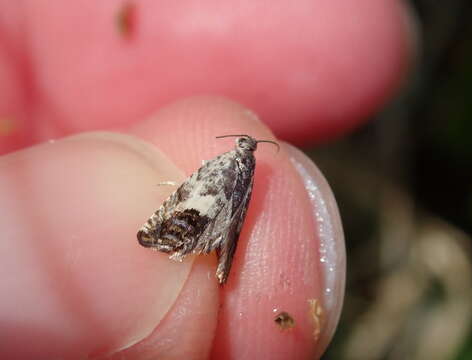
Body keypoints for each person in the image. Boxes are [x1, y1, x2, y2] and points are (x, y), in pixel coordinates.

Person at [0, 2, 415, 359]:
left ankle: (177, 240)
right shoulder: (240, 164)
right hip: (212, 202)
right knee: (195, 199)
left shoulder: (234, 165)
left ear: (241, 151)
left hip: (208, 196)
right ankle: (186, 242)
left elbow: (215, 187)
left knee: (191, 200)